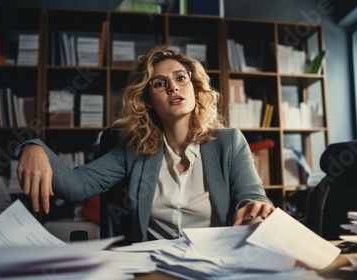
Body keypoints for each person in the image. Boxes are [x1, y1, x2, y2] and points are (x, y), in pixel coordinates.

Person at [16, 44, 275, 243]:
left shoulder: (229, 143)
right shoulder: (134, 150)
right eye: (160, 84)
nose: (173, 87)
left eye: (180, 78)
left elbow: (252, 197)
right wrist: (33, 147)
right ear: (149, 101)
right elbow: (76, 187)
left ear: (195, 89)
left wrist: (254, 207)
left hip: (217, 265)